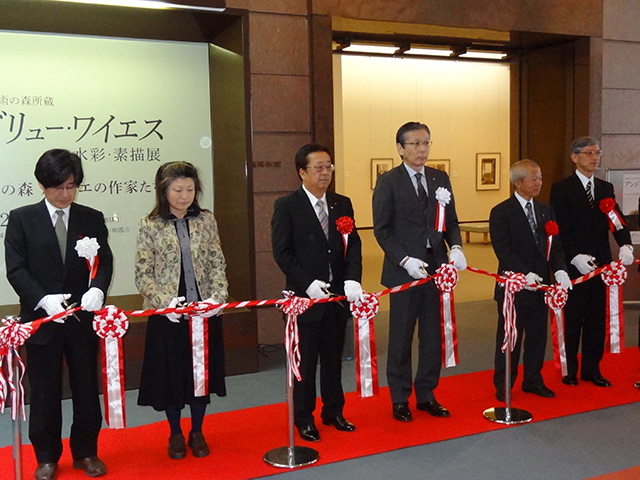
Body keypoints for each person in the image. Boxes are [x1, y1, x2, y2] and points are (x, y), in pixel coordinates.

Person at [5, 149, 113, 480]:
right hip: (42, 320)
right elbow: (16, 269)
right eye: (58, 187)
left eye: (71, 186)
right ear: (42, 184)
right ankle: (47, 457)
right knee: (44, 390)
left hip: (82, 319)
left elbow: (104, 261)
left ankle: (86, 451)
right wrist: (42, 299)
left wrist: (98, 289)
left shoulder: (91, 217)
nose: (65, 194)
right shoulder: (22, 218)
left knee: (85, 386)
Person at [372, 121, 467, 422]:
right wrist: (405, 260)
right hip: (404, 272)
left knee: (432, 335)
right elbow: (382, 230)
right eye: (415, 143)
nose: (422, 149)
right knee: (401, 336)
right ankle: (400, 397)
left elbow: (451, 220)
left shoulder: (439, 178)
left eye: (426, 143)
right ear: (400, 148)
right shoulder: (388, 181)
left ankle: (426, 393)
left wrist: (456, 247)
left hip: (437, 268)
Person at [135, 161, 228, 460]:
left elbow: (217, 262)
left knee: (200, 374)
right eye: (178, 190)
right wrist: (164, 302)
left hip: (203, 311)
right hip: (169, 315)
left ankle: (197, 430)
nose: (184, 196)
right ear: (163, 190)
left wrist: (217, 298)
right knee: (171, 376)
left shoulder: (206, 220)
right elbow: (142, 273)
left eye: (190, 189)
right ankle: (175, 432)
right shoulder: (149, 224)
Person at [271, 143, 363, 442]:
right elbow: (282, 253)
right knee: (306, 362)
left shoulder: (341, 203)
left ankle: (334, 411)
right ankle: (304, 417)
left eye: (329, 166)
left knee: (334, 359)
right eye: (318, 167)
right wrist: (307, 283)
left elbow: (353, 246)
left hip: (336, 298)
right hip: (305, 299)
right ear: (302, 172)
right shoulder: (287, 205)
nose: (325, 172)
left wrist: (352, 279)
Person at [550, 136, 634, 387]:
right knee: (573, 318)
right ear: (574, 157)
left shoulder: (604, 188)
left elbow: (616, 219)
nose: (594, 158)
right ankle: (570, 370)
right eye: (588, 153)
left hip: (602, 265)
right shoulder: (562, 188)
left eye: (597, 153)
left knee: (597, 319)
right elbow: (560, 228)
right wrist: (574, 256)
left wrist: (626, 244)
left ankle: (591, 369)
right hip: (575, 265)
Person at [489, 160, 571, 402]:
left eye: (540, 177)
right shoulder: (501, 212)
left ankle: (533, 380)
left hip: (541, 286)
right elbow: (503, 250)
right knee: (510, 338)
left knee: (537, 336)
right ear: (518, 182)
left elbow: (555, 246)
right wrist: (523, 273)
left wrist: (560, 270)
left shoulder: (545, 211)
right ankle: (504, 383)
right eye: (534, 178)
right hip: (514, 287)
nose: (539, 183)